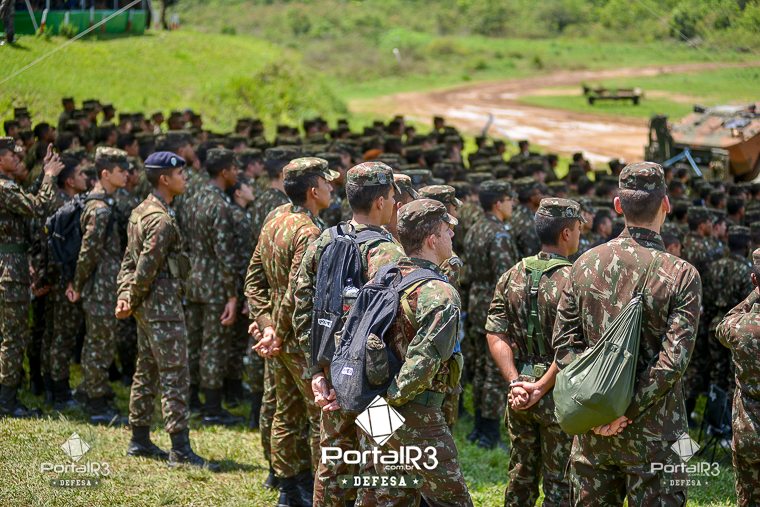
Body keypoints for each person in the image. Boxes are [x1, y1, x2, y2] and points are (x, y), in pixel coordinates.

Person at [553, 162, 701, 505]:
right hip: (658, 433)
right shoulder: (681, 274)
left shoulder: (583, 264)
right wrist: (626, 410)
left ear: (618, 205)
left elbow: (563, 344)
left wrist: (599, 407)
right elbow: (673, 362)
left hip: (592, 430)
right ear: (666, 204)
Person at [292, 161, 404, 507]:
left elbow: (302, 306)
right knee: (381, 464)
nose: (393, 204)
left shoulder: (326, 239)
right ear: (381, 201)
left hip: (331, 374)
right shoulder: (389, 252)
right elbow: (399, 323)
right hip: (374, 384)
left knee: (333, 461)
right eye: (392, 197)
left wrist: (317, 370)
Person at [361, 198, 473, 507]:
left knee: (387, 497)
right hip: (416, 412)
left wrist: (379, 403)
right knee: (453, 501)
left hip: (375, 405)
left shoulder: (384, 277)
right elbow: (424, 360)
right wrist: (393, 399)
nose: (452, 235)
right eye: (447, 230)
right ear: (432, 240)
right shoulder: (441, 292)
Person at [116, 151, 218, 471]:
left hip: (148, 305)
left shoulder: (141, 211)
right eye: (180, 174)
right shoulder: (160, 219)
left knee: (146, 369)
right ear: (164, 179)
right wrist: (131, 297)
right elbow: (145, 267)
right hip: (161, 305)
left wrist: (126, 296)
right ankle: (180, 448)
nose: (185, 178)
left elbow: (128, 262)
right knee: (174, 373)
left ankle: (139, 438)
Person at [246, 157, 338, 507]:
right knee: (318, 415)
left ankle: (288, 486)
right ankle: (315, 487)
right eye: (326, 182)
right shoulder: (310, 232)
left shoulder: (275, 217)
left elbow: (254, 278)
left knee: (285, 410)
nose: (331, 188)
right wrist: (277, 331)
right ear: (313, 190)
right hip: (300, 338)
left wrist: (266, 325)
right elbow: (296, 293)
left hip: (278, 337)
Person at [486, 198, 583, 506]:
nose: (579, 234)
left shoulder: (511, 275)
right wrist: (541, 387)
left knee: (520, 477)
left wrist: (515, 381)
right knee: (561, 483)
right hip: (560, 394)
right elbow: (572, 347)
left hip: (520, 392)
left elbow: (495, 333)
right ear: (566, 233)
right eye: (578, 228)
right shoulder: (576, 280)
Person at [0, 140, 63, 418]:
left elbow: (25, 200)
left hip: (9, 265)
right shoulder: (4, 188)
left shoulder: (8, 187)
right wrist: (48, 177)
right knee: (13, 337)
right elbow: (38, 207)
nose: (18, 158)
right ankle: (7, 402)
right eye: (11, 155)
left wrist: (41, 176)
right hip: (9, 269)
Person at [67, 147, 130, 425]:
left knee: (101, 341)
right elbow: (88, 252)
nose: (126, 175)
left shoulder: (104, 203)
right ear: (105, 173)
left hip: (104, 283)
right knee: (99, 344)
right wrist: (78, 283)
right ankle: (95, 402)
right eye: (121, 171)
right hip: (100, 285)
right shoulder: (100, 209)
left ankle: (92, 390)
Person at [184, 148, 242, 426]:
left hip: (192, 279)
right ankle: (212, 407)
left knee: (193, 342)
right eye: (234, 168)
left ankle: (191, 399)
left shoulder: (192, 198)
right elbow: (225, 254)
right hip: (215, 283)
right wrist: (232, 294)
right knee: (214, 346)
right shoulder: (220, 205)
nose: (237, 173)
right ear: (224, 172)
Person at [464, 180, 520, 449]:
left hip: (476, 300)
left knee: (479, 368)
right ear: (498, 203)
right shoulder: (499, 235)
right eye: (509, 199)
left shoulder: (475, 228)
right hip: (493, 305)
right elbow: (506, 277)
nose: (512, 204)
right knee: (494, 371)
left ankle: (479, 427)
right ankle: (489, 431)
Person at [715, 254, 760, 507]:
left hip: (748, 432)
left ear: (754, 279)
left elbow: (722, 325)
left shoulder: (740, 326)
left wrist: (755, 294)